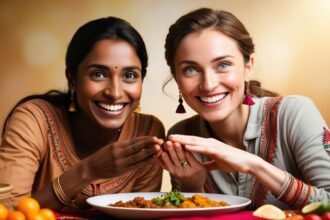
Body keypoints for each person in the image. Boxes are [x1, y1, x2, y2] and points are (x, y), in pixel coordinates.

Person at [158, 7, 330, 210]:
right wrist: (192, 185)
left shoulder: (294, 113)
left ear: (248, 66)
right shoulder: (180, 136)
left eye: (223, 65)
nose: (208, 84)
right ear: (177, 77)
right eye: (191, 69)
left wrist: (253, 165)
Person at [0, 16, 165, 210]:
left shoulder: (147, 132)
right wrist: (87, 171)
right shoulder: (34, 120)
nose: (115, 93)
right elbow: (7, 211)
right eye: (99, 74)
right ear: (72, 79)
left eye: (129, 76)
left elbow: (142, 213)